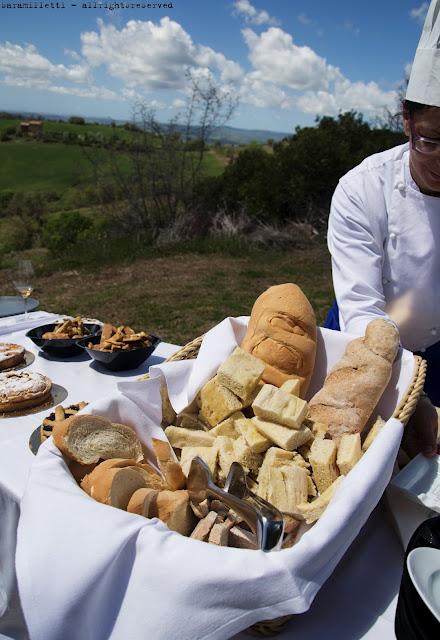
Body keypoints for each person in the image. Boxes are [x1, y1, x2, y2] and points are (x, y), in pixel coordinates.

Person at [325, 0, 440, 458]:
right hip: (362, 345)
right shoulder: (362, 189)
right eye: (431, 141)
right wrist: (410, 396)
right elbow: (362, 311)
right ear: (407, 122)